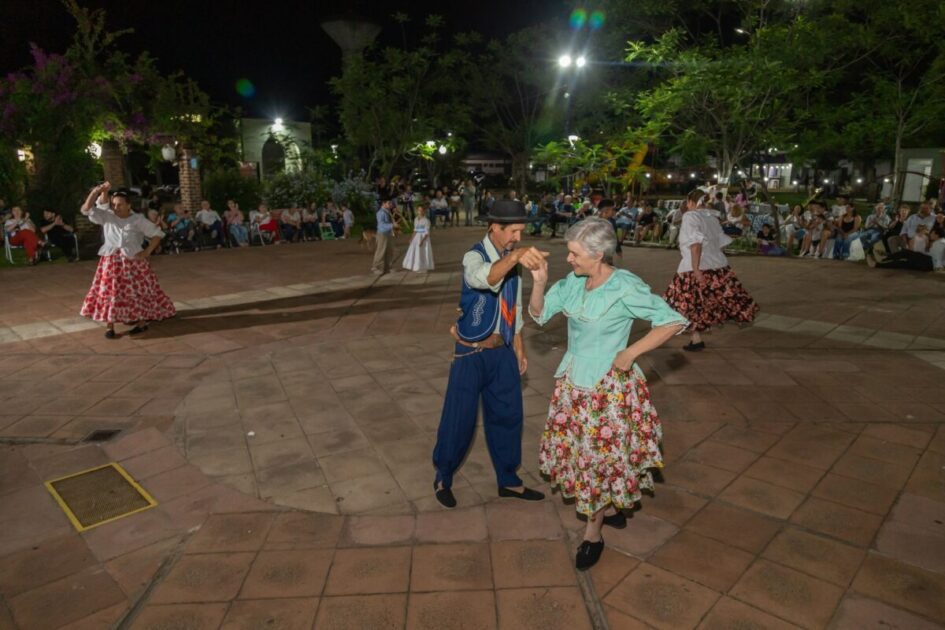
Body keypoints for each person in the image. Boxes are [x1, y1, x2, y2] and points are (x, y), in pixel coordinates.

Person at [528, 217, 686, 570]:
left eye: (574, 253)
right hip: (573, 384)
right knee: (583, 453)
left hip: (607, 390)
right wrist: (538, 283)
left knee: (598, 459)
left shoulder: (624, 287)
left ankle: (593, 533)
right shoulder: (573, 282)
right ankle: (609, 509)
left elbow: (673, 321)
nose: (568, 258)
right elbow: (539, 315)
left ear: (598, 254)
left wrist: (630, 353)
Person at [432, 200, 549, 509]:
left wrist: (519, 347)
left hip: (503, 352)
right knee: (459, 418)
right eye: (513, 231)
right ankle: (443, 475)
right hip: (471, 352)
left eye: (521, 232)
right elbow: (483, 278)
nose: (518, 238)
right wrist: (515, 257)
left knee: (509, 416)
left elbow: (514, 307)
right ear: (494, 227)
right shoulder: (474, 256)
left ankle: (508, 480)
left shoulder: (513, 258)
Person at [664, 189, 759, 351]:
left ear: (691, 202)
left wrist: (696, 270)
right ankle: (696, 339)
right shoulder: (712, 217)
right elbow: (720, 243)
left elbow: (696, 245)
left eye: (687, 202)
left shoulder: (690, 216)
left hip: (694, 267)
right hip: (718, 266)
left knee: (685, 303)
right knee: (707, 302)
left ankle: (693, 339)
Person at [79, 183, 175, 338]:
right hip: (111, 262)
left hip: (133, 262)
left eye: (120, 205)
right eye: (114, 204)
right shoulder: (107, 216)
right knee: (109, 292)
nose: (116, 208)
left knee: (136, 292)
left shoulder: (137, 220)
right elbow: (86, 209)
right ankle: (109, 326)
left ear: (129, 205)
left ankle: (142, 323)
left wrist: (146, 251)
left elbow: (157, 234)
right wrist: (96, 191)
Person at [868, 224, 944, 271]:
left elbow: (938, 257)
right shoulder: (938, 242)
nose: (930, 234)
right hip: (927, 260)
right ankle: (885, 258)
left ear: (936, 235)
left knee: (904, 263)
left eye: (932, 233)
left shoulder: (941, 243)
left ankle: (879, 263)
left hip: (929, 263)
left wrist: (938, 268)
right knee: (906, 253)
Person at [402, 205, 434, 272]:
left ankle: (422, 266)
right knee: (416, 252)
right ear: (417, 211)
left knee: (422, 252)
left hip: (423, 237)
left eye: (422, 210)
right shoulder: (416, 219)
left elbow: (427, 232)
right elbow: (415, 230)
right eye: (419, 210)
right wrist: (411, 238)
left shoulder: (426, 220)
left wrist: (422, 241)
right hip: (416, 237)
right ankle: (415, 266)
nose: (420, 212)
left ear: (424, 211)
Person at [371, 198, 397, 274]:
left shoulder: (387, 211)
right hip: (382, 234)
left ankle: (388, 267)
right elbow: (381, 224)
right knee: (381, 251)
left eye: (391, 203)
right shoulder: (381, 213)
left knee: (389, 250)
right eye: (389, 203)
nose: (390, 204)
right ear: (383, 203)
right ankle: (376, 267)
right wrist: (392, 225)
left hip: (388, 233)